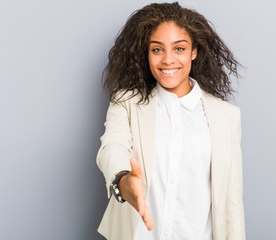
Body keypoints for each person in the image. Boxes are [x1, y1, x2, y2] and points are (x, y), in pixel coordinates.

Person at [96, 2, 245, 240]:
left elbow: (232, 201)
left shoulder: (225, 115)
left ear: (194, 51)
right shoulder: (127, 102)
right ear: (146, 53)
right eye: (157, 50)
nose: (167, 60)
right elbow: (112, 147)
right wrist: (123, 182)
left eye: (179, 49)